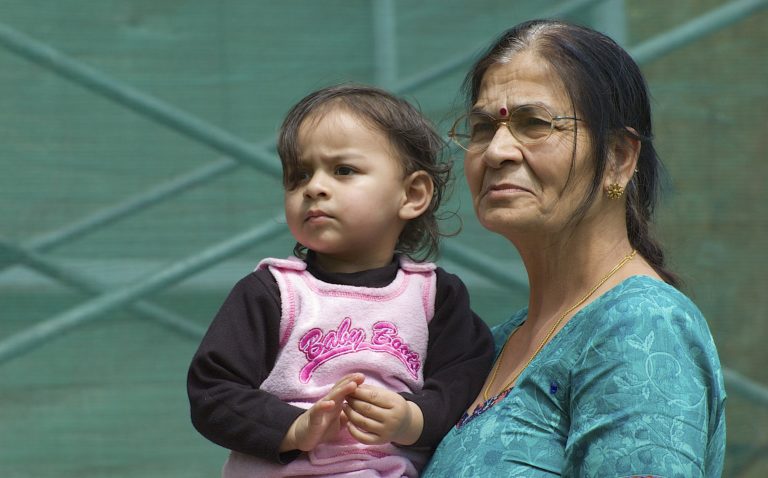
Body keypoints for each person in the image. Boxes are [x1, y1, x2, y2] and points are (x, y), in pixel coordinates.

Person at [422, 19, 726, 477]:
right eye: (483, 127)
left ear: (618, 157)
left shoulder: (641, 325)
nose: (497, 151)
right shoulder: (497, 342)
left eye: (534, 123)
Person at [187, 84, 494, 477]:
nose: (314, 187)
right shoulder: (272, 292)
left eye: (343, 170)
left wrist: (415, 419)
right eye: (299, 175)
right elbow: (212, 391)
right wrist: (293, 428)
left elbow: (465, 380)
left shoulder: (435, 296)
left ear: (412, 194)